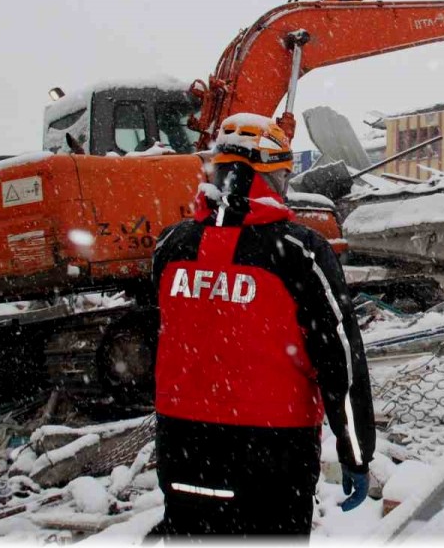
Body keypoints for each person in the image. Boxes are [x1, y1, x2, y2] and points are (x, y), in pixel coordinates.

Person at [148, 113, 376, 537]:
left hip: (182, 447)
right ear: (271, 176)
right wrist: (356, 452)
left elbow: (159, 337)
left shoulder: (170, 246)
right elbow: (340, 361)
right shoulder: (299, 251)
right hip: (272, 455)